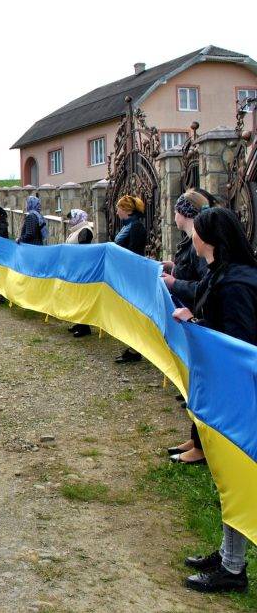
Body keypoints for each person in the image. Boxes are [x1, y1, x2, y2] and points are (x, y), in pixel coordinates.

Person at [171, 207, 257, 593]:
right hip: (228, 393)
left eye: (198, 232)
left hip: (237, 397)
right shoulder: (222, 274)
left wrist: (196, 325)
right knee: (226, 475)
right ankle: (228, 555)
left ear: (210, 239)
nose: (193, 236)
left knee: (236, 477)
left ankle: (234, 569)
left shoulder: (237, 283)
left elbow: (239, 344)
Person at [162, 190, 215, 465]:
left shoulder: (201, 241)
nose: (173, 215)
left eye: (176, 209)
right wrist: (173, 268)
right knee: (194, 382)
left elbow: (202, 286)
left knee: (201, 384)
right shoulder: (190, 242)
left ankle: (201, 446)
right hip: (190, 320)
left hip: (197, 320)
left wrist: (174, 284)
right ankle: (196, 440)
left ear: (184, 213)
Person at [113, 195, 148, 364]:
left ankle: (136, 350)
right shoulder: (128, 227)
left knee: (134, 313)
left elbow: (134, 254)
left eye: (119, 208)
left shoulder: (136, 227)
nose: (117, 211)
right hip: (125, 275)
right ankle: (133, 347)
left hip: (133, 277)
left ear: (126, 210)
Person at [65, 209, 95, 337]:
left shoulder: (85, 230)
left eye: (71, 218)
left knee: (81, 297)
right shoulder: (76, 230)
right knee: (75, 296)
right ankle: (79, 322)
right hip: (74, 268)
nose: (69, 221)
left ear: (77, 217)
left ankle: (84, 327)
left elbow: (83, 250)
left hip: (81, 269)